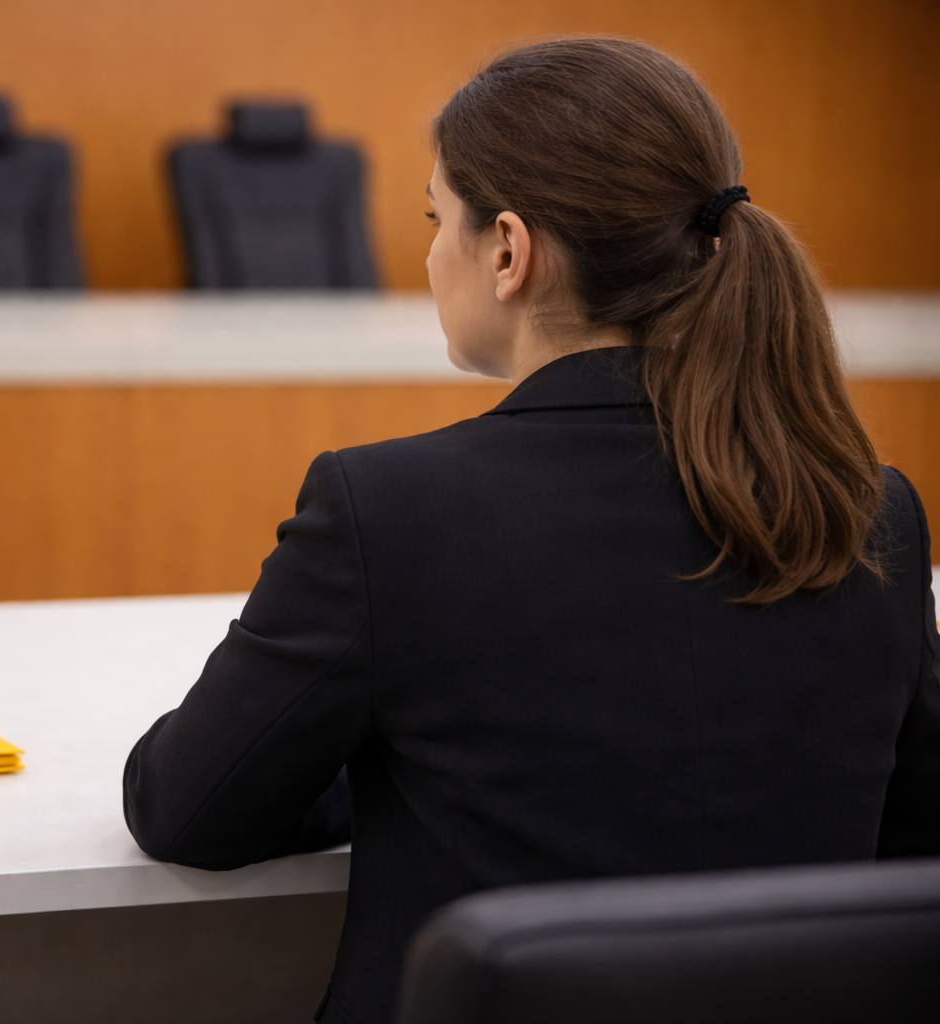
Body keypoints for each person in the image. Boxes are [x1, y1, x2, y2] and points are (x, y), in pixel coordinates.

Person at [122, 37, 940, 1024]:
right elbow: (910, 840)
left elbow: (188, 808)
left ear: (509, 249)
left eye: (437, 218)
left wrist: (371, 755)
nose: (428, 254)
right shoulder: (867, 511)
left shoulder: (387, 510)